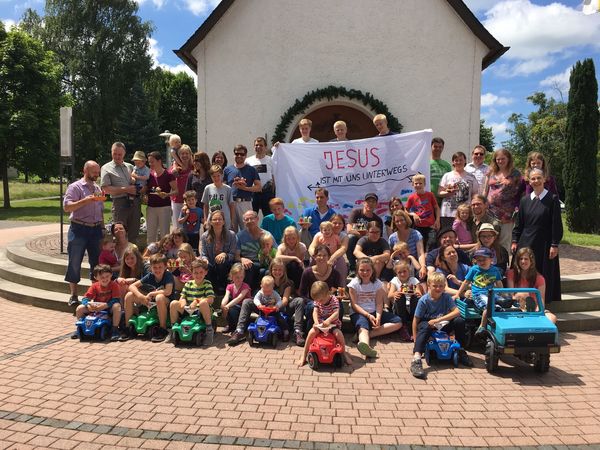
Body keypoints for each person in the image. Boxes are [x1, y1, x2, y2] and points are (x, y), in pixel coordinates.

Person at [512, 168, 563, 305]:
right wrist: (515, 240)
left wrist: (554, 244)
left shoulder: (552, 199)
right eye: (533, 178)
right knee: (524, 270)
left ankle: (542, 304)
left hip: (545, 244)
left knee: (543, 272)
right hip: (526, 242)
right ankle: (522, 302)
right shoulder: (524, 200)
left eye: (538, 178)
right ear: (529, 181)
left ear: (544, 179)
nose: (536, 181)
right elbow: (519, 224)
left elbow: (556, 224)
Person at [410, 272, 473, 378]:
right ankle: (416, 359)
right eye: (435, 286)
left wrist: (438, 320)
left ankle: (461, 350)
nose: (438, 289)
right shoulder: (424, 300)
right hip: (428, 323)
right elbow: (415, 320)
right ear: (429, 285)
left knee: (459, 321)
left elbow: (457, 312)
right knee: (425, 326)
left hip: (441, 323)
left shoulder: (446, 298)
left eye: (441, 286)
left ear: (444, 286)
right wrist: (416, 341)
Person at [63, 160, 104, 307]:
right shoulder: (75, 187)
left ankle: (96, 293)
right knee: (74, 261)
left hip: (95, 229)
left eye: (98, 172)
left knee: (96, 263)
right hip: (79, 228)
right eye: (94, 172)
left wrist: (103, 227)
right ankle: (73, 295)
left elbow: (100, 210)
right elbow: (67, 207)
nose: (97, 174)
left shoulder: (97, 188)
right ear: (85, 171)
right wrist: (85, 200)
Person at [348, 258, 403, 358]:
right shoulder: (353, 284)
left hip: (374, 312)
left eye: (368, 270)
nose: (365, 272)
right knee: (363, 327)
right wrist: (368, 315)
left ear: (372, 270)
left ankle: (369, 335)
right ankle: (366, 346)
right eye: (362, 270)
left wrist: (378, 317)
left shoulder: (377, 283)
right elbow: (354, 305)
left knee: (398, 322)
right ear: (357, 270)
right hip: (359, 313)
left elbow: (378, 303)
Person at [296, 281, 353, 367]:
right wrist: (316, 322)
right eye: (317, 300)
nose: (320, 302)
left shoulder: (334, 300)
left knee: (338, 334)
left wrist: (329, 320)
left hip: (332, 324)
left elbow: (336, 313)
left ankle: (344, 353)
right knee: (311, 333)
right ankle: (304, 354)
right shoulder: (318, 301)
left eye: (321, 300)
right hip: (321, 324)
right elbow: (315, 311)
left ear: (328, 293)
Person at [124, 253, 174, 342]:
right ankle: (128, 327)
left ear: (165, 266)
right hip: (150, 300)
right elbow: (132, 286)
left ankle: (163, 329)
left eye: (160, 267)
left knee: (159, 297)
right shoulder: (150, 275)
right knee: (129, 295)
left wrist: (152, 294)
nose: (157, 270)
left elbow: (168, 291)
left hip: (166, 301)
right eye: (155, 267)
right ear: (151, 267)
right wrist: (141, 296)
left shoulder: (168, 275)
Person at [454, 247, 504, 336]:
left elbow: (499, 282)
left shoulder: (495, 270)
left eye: (484, 259)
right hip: (478, 294)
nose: (481, 262)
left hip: (491, 293)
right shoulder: (474, 269)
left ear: (491, 259)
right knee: (489, 307)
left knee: (505, 304)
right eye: (478, 260)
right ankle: (482, 326)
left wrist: (504, 294)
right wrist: (458, 293)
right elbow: (466, 282)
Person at [229, 276, 289, 344]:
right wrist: (259, 305)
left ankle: (285, 331)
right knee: (257, 319)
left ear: (273, 287)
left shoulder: (275, 293)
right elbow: (256, 299)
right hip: (262, 310)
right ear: (261, 286)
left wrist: (277, 306)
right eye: (264, 291)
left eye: (269, 291)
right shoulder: (260, 292)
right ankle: (240, 330)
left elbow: (279, 300)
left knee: (281, 319)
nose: (266, 293)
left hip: (273, 311)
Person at [483, 148, 523, 252]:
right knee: (489, 239)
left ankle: (502, 265)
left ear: (509, 159)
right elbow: (485, 189)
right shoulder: (491, 171)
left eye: (503, 159)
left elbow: (521, 193)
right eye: (498, 159)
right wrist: (483, 203)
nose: (500, 161)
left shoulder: (516, 174)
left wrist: (518, 209)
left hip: (507, 214)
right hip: (490, 212)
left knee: (504, 242)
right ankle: (489, 264)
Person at [101, 142, 141, 244]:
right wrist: (125, 189)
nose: (117, 157)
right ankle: (119, 259)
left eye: (120, 154)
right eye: (115, 154)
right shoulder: (106, 168)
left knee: (134, 233)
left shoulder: (130, 167)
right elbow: (105, 189)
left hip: (134, 203)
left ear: (124, 154)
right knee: (119, 234)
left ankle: (133, 257)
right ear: (111, 152)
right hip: (120, 203)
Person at [169, 259, 215, 345]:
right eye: (196, 273)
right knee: (173, 303)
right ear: (192, 273)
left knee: (203, 303)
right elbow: (182, 297)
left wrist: (197, 301)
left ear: (206, 272)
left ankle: (209, 330)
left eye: (201, 272)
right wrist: (182, 301)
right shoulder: (188, 284)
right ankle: (173, 329)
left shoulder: (207, 284)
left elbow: (210, 299)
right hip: (189, 310)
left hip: (201, 311)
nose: (198, 275)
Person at [297, 245, 343, 332]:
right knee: (311, 307)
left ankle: (335, 329)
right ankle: (312, 329)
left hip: (330, 302)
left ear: (329, 257)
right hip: (313, 302)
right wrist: (315, 302)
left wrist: (338, 297)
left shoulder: (335, 273)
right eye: (319, 255)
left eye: (325, 255)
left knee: (339, 307)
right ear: (314, 257)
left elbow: (339, 291)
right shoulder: (307, 272)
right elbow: (302, 293)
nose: (322, 257)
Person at [507, 247, 557, 323]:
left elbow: (541, 301)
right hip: (516, 306)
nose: (523, 261)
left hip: (535, 308)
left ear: (531, 261)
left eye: (526, 259)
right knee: (522, 294)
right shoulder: (511, 274)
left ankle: (539, 332)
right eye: (521, 259)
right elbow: (511, 296)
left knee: (552, 318)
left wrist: (537, 312)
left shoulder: (539, 278)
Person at [72, 264, 122, 341]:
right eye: (102, 277)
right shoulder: (95, 286)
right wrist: (88, 305)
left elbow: (116, 299)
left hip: (109, 308)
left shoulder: (114, 285)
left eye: (107, 276)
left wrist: (105, 306)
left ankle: (115, 329)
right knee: (80, 308)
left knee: (117, 306)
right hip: (96, 308)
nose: (105, 279)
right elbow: (85, 298)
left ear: (111, 275)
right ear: (96, 278)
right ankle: (81, 327)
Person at [224, 144, 261, 232]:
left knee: (248, 229)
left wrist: (245, 188)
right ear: (234, 155)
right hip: (231, 203)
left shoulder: (251, 169)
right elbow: (223, 187)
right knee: (231, 230)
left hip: (245, 203)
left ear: (245, 156)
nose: (239, 156)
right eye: (237, 154)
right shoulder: (227, 169)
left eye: (242, 154)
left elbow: (259, 187)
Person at [438, 151, 479, 229]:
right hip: (448, 213)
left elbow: (475, 194)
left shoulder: (471, 177)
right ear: (453, 162)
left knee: (465, 237)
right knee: (448, 235)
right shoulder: (447, 175)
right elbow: (439, 192)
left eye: (461, 160)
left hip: (465, 213)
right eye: (456, 160)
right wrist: (448, 192)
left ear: (465, 161)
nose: (458, 162)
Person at [269, 257, 305, 346]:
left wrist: (276, 306)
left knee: (299, 300)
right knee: (247, 302)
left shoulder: (288, 283)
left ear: (284, 271)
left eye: (280, 270)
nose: (277, 272)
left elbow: (285, 300)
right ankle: (239, 330)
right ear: (271, 270)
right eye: (275, 269)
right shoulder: (267, 280)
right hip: (268, 308)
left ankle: (297, 332)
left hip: (283, 308)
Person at [199, 210, 237, 292]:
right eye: (214, 219)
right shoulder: (205, 236)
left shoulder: (231, 235)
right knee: (205, 265)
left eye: (220, 219)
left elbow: (232, 254)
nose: (217, 221)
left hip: (226, 265)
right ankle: (211, 288)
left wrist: (224, 254)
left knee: (221, 261)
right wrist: (205, 259)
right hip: (211, 263)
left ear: (223, 222)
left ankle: (222, 286)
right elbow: (204, 253)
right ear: (211, 222)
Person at [235, 210, 273, 290]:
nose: (249, 221)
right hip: (248, 264)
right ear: (244, 222)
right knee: (248, 266)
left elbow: (275, 251)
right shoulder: (239, 236)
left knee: (265, 271)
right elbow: (236, 256)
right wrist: (242, 259)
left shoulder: (267, 235)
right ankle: (246, 292)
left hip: (263, 263)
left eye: (252, 218)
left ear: (257, 219)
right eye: (246, 219)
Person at [346, 192, 384, 273]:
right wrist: (364, 233)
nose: (370, 204)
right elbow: (349, 229)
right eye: (368, 201)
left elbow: (379, 236)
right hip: (357, 240)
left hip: (370, 242)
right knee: (350, 238)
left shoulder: (378, 220)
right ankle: (352, 268)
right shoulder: (356, 212)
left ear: (376, 204)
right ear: (364, 203)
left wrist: (365, 232)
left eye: (373, 202)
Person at [146, 151, 178, 245]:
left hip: (164, 208)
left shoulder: (168, 174)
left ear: (159, 161)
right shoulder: (150, 174)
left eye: (152, 161)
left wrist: (167, 195)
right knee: (151, 234)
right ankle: (151, 255)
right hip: (151, 207)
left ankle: (164, 255)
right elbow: (147, 189)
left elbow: (176, 191)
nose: (150, 164)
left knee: (164, 234)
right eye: (149, 162)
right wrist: (144, 196)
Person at [388, 260, 424, 341]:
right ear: (396, 273)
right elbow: (389, 295)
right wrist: (395, 293)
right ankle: (403, 327)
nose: (402, 274)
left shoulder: (414, 280)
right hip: (400, 309)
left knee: (416, 298)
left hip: (412, 307)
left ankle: (414, 325)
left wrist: (415, 292)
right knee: (400, 297)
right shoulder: (395, 280)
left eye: (404, 271)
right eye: (399, 272)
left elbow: (419, 293)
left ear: (409, 271)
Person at [405, 174, 440, 251]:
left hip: (431, 226)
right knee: (420, 246)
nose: (418, 185)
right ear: (412, 184)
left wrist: (437, 220)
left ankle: (430, 261)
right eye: (416, 183)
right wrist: (413, 214)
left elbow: (436, 208)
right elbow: (405, 210)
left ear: (424, 184)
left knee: (431, 244)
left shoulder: (430, 195)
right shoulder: (411, 197)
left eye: (420, 183)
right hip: (418, 227)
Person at [388, 210, 426, 279]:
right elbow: (390, 255)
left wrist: (423, 266)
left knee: (422, 274)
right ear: (394, 223)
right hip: (398, 266)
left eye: (402, 220)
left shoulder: (416, 234)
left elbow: (420, 254)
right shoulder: (392, 237)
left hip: (413, 264)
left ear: (406, 220)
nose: (400, 223)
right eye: (397, 221)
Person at [246, 137, 275, 217]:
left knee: (269, 217)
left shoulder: (270, 160)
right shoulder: (248, 161)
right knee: (251, 216)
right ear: (254, 147)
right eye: (256, 145)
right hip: (253, 193)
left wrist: (273, 194)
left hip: (267, 193)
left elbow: (273, 178)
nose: (258, 147)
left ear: (265, 147)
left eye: (261, 145)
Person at [220, 263, 251, 333]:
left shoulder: (245, 286)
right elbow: (226, 296)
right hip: (236, 306)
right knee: (227, 308)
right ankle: (231, 326)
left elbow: (239, 298)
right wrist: (223, 305)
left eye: (241, 277)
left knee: (231, 308)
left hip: (245, 308)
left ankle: (237, 327)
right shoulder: (230, 286)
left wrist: (227, 306)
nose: (239, 279)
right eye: (237, 277)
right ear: (232, 276)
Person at [202, 164, 234, 230]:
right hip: (212, 219)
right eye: (214, 176)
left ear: (222, 175)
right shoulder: (208, 188)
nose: (216, 178)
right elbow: (205, 205)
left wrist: (232, 220)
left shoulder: (227, 189)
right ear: (211, 177)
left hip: (225, 219)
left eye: (218, 176)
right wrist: (205, 220)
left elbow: (231, 205)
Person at [169, 144, 193, 230]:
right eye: (182, 153)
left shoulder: (193, 167)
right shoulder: (174, 169)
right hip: (177, 200)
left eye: (187, 153)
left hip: (191, 201)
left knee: (191, 226)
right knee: (178, 226)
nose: (185, 155)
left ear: (190, 155)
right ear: (178, 155)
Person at [429, 137, 452, 206]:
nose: (438, 149)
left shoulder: (447, 165)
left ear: (443, 148)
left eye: (440, 147)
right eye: (435, 146)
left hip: (443, 200)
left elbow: (449, 182)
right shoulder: (425, 163)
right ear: (431, 147)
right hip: (428, 200)